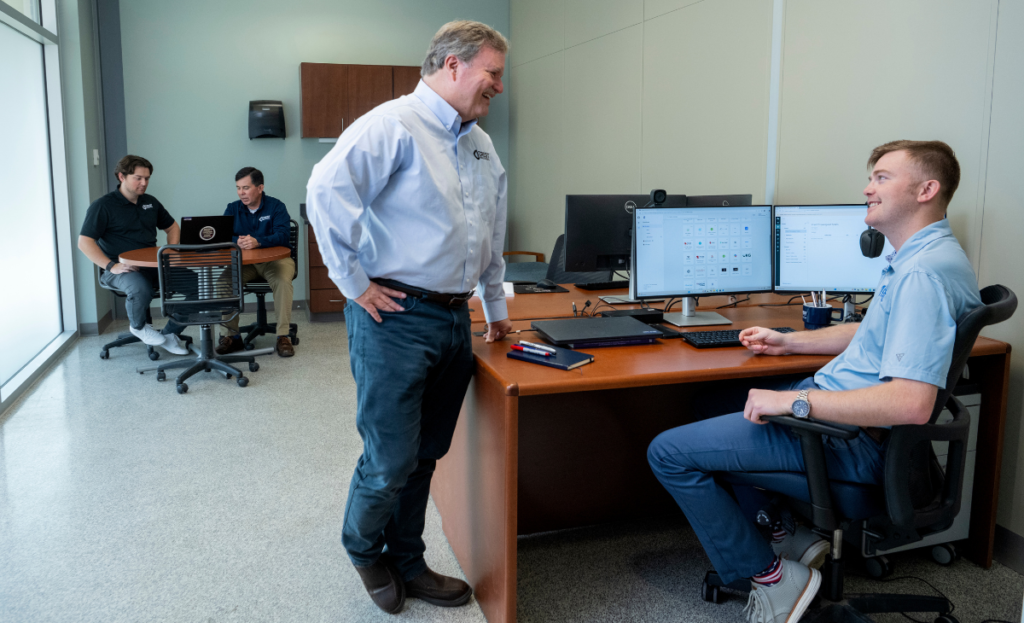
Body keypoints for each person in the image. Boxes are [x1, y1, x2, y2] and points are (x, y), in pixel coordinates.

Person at [647, 140, 981, 623]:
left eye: (883, 177)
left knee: (667, 453)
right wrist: (790, 344)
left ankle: (775, 580)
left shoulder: (922, 276)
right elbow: (872, 333)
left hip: (851, 440)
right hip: (851, 423)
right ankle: (787, 536)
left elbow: (910, 404)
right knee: (711, 402)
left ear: (927, 189)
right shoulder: (926, 257)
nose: (868, 188)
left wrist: (792, 403)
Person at [306, 19, 511, 615]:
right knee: (390, 457)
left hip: (452, 317)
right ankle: (362, 547)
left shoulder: (478, 142)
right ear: (454, 65)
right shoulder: (392, 124)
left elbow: (490, 228)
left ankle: (409, 559)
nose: (498, 86)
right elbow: (325, 193)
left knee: (424, 454)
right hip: (392, 316)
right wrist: (354, 285)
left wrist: (493, 304)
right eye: (492, 74)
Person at [79, 155, 190, 355]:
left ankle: (170, 334)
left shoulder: (150, 202)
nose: (144, 183)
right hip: (120, 269)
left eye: (147, 178)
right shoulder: (102, 206)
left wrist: (171, 251)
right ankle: (138, 326)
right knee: (140, 288)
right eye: (138, 178)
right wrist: (111, 266)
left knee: (197, 283)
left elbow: (172, 227)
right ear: (122, 176)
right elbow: (84, 242)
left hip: (153, 265)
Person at [215, 167, 296, 358]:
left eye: (246, 188)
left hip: (275, 261)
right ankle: (231, 337)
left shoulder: (276, 207)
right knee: (223, 283)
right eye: (238, 188)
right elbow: (222, 235)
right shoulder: (232, 208)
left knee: (283, 282)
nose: (241, 193)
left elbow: (284, 236)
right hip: (245, 264)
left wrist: (258, 241)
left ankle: (283, 335)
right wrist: (237, 241)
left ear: (260, 188)